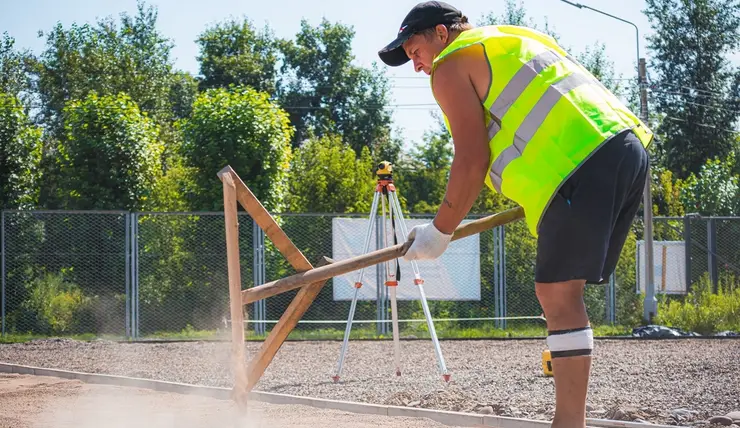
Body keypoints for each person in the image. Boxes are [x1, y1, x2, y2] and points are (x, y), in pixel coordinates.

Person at [378, 2, 653, 428]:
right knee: (563, 293)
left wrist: (440, 231)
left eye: (414, 51)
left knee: (558, 295)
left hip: (577, 164)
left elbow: (471, 158)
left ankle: (568, 424)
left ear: (440, 33)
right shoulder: (512, 38)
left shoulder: (449, 66)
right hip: (624, 147)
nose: (417, 65)